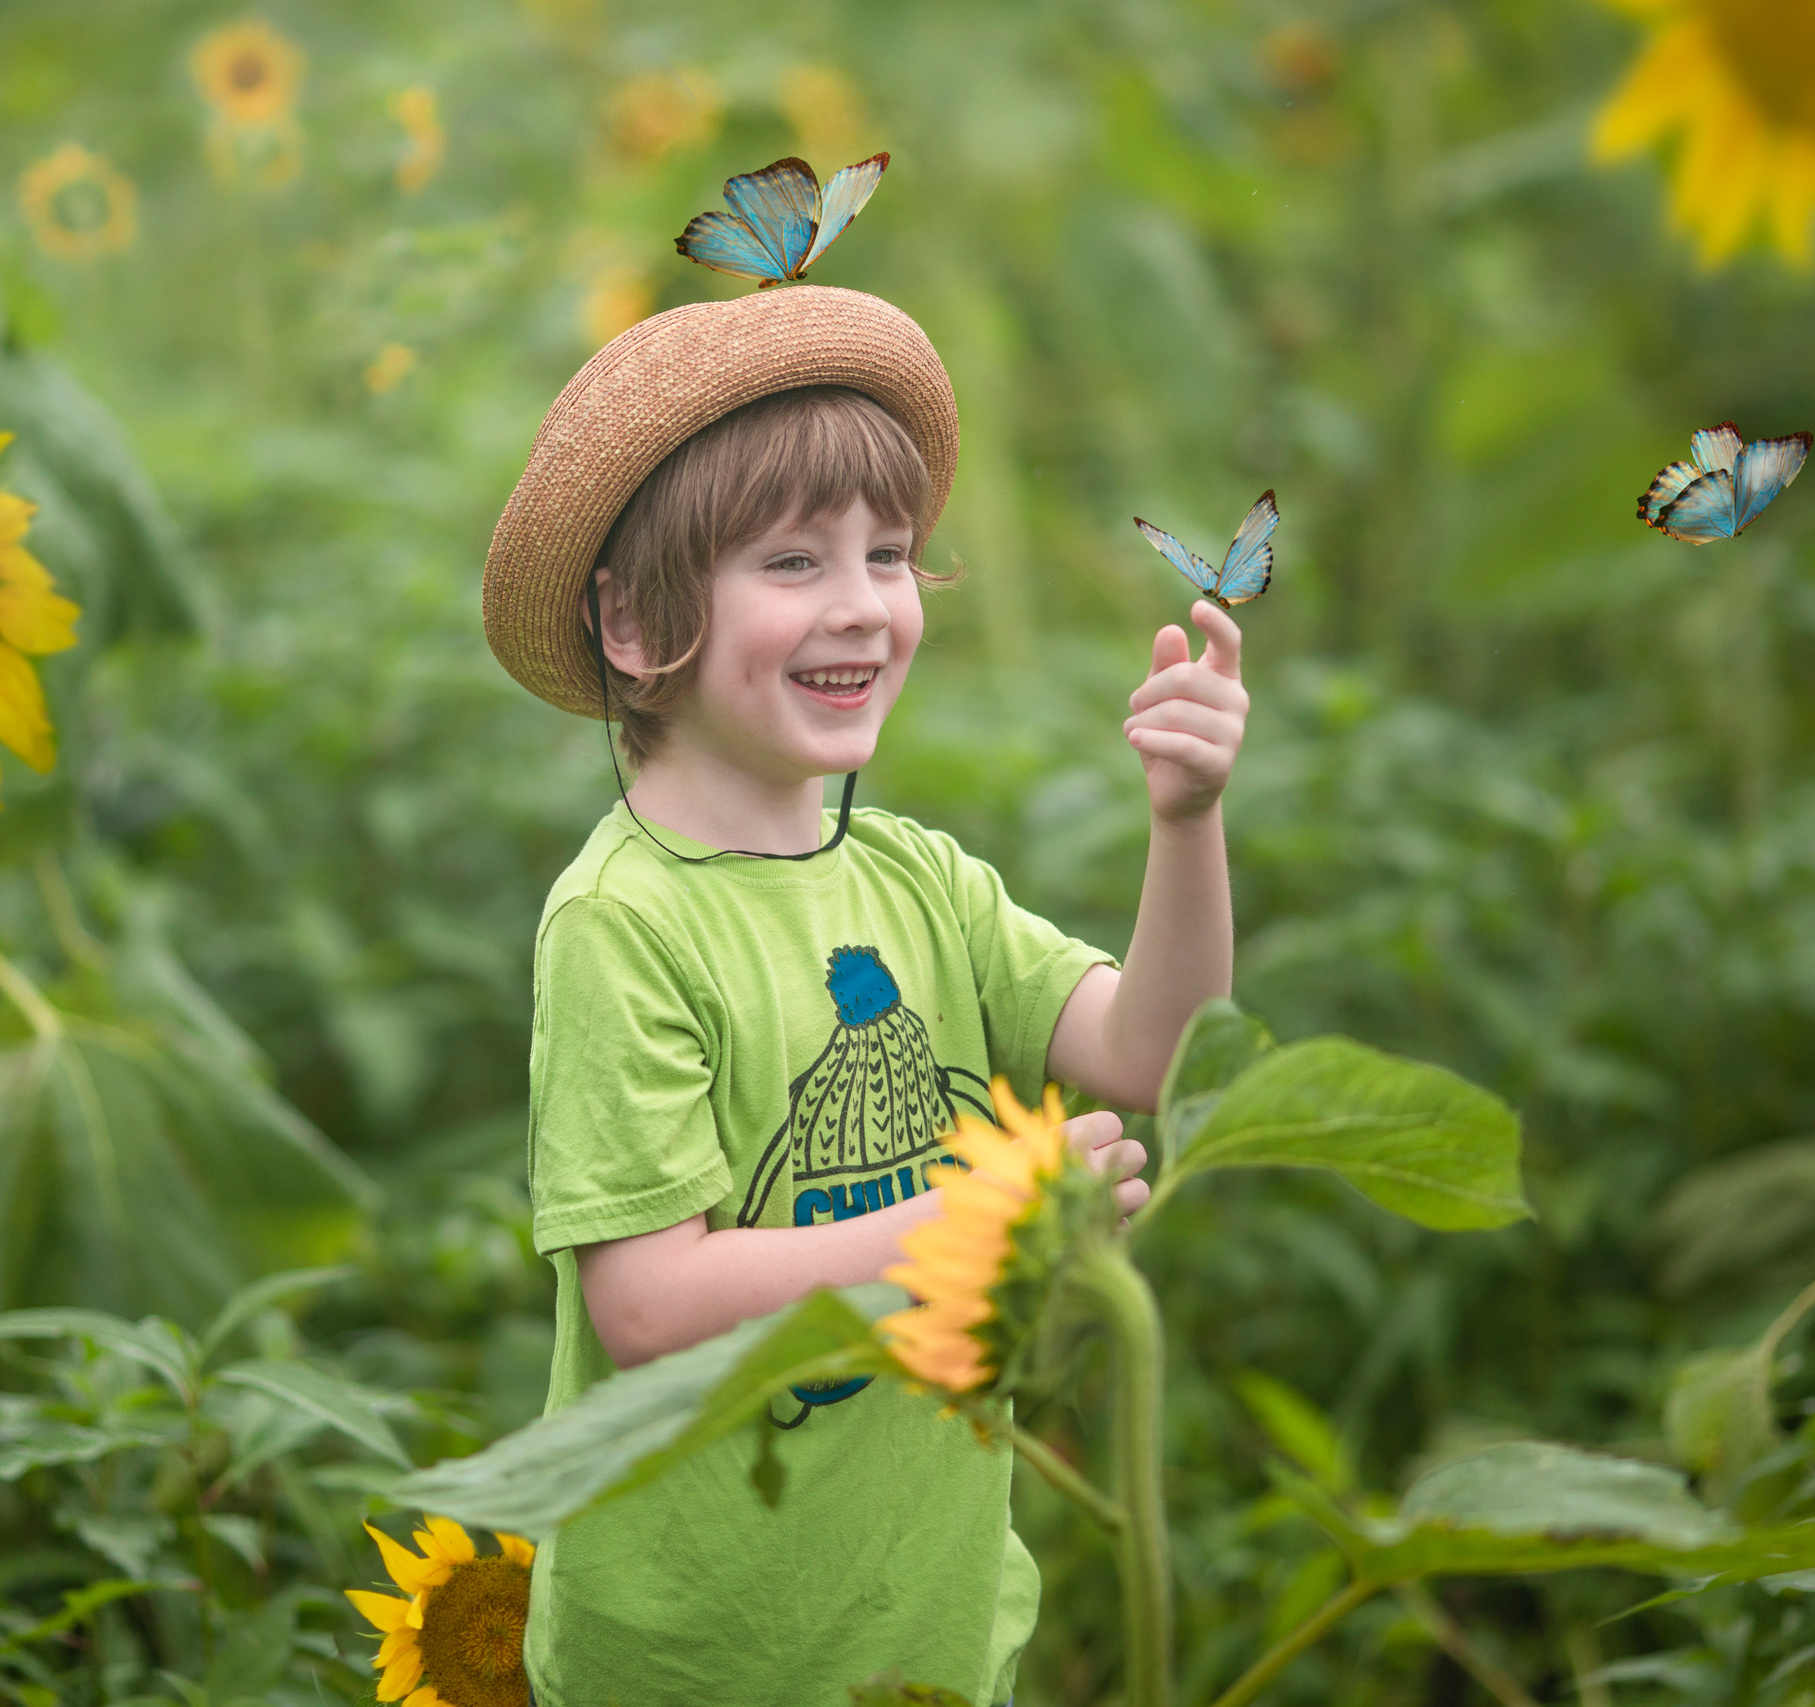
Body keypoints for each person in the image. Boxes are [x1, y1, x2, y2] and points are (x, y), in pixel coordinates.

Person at [482, 285, 1247, 1707]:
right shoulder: (623, 920)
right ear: (637, 625)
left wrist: (1186, 820)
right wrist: (968, 1225)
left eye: (888, 553)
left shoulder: (920, 882)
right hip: (697, 1650)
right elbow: (648, 1301)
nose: (863, 605)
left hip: (935, 1628)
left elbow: (1156, 1045)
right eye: (791, 560)